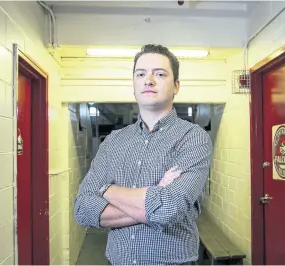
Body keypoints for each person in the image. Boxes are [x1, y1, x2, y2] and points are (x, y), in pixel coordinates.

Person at [74, 44, 213, 265]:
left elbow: (169, 208)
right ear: (134, 85)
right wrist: (155, 197)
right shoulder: (113, 142)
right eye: (141, 74)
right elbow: (82, 209)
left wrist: (107, 190)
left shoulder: (193, 137)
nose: (148, 80)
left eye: (159, 74)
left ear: (176, 86)